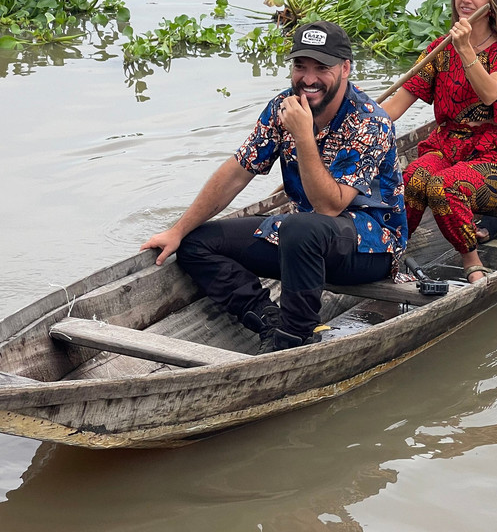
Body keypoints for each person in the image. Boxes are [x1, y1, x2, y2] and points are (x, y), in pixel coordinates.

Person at [141, 21, 407, 353]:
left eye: (321, 68)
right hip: (301, 240)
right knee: (196, 244)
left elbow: (329, 207)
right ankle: (268, 319)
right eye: (300, 66)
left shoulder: (370, 121)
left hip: (371, 247)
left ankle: (295, 337)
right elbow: (238, 172)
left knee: (301, 227)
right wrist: (177, 230)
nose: (308, 79)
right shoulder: (282, 107)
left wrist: (303, 135)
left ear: (345, 68)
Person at [382, 0, 497, 284]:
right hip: (447, 147)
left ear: (494, 3)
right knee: (414, 176)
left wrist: (465, 50)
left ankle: (472, 265)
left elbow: (491, 93)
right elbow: (396, 105)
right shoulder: (439, 49)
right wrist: (353, 117)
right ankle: (391, 259)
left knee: (444, 186)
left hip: (496, 158)